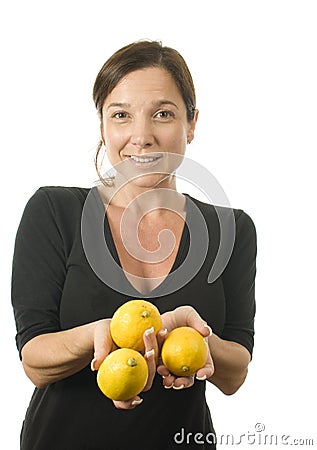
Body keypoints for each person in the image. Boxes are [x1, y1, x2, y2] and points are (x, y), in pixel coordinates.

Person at [11, 40, 257, 449]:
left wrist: (193, 335)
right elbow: (34, 361)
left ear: (192, 123)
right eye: (121, 115)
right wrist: (100, 335)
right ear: (103, 126)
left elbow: (236, 373)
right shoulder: (54, 211)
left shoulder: (232, 229)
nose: (141, 137)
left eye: (163, 114)